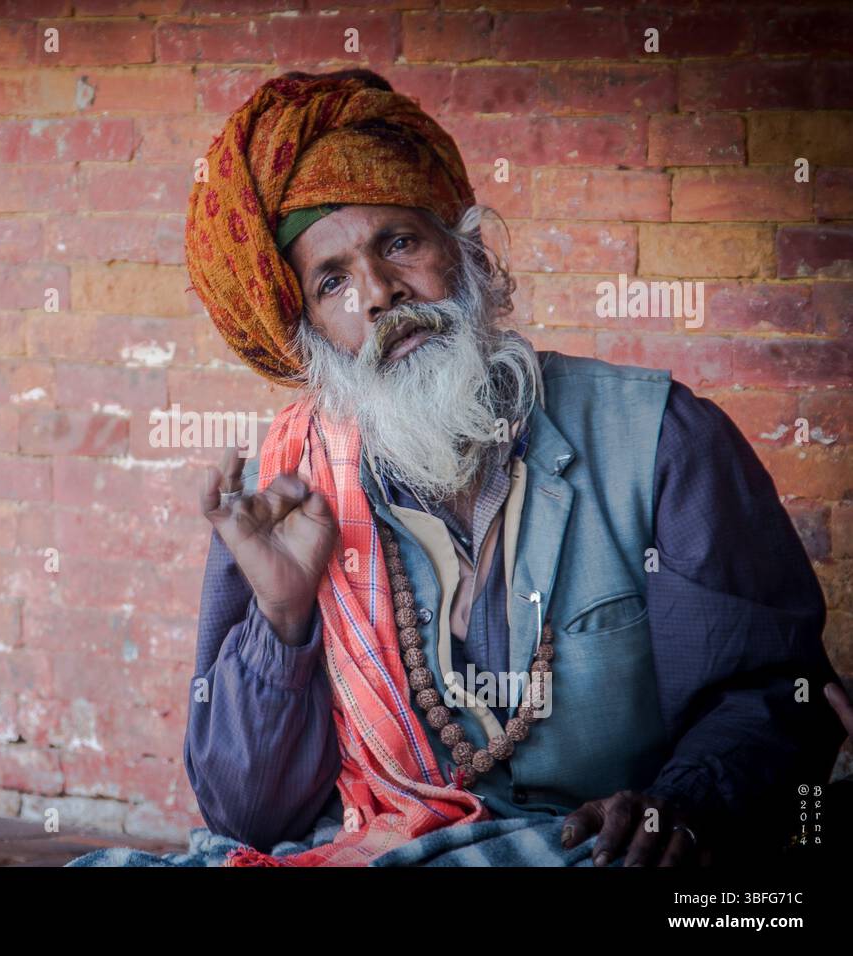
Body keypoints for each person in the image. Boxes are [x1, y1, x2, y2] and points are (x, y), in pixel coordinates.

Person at [175, 69, 846, 867]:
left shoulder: (664, 441)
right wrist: (284, 620)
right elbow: (247, 816)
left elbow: (773, 696)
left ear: (467, 255)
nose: (381, 295)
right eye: (333, 283)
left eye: (398, 243)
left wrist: (684, 805)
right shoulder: (283, 497)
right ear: (314, 334)